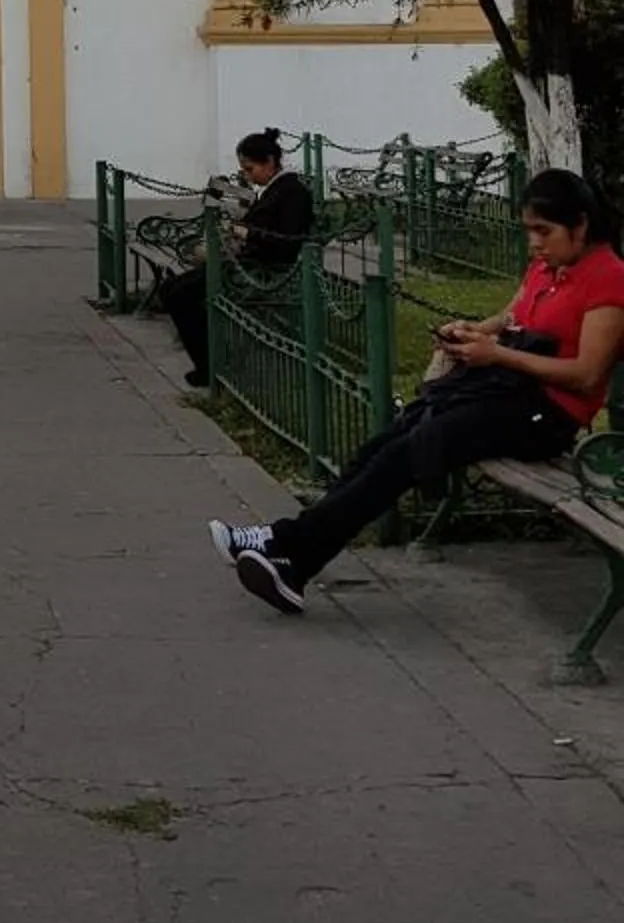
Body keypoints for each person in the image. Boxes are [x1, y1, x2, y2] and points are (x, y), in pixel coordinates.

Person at [212, 167, 624, 616]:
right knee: (388, 441)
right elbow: (511, 319)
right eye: (529, 231)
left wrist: (497, 355)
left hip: (545, 416)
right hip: (500, 395)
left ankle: (291, 556)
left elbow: (586, 375)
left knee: (412, 449)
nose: (534, 243)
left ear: (580, 225)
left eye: (544, 231)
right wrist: (469, 332)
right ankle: (285, 545)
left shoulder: (609, 278)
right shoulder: (548, 266)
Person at [161, 130, 313, 387]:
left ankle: (210, 365)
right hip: (245, 263)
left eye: (250, 169)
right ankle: (212, 357)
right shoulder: (275, 189)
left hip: (262, 269)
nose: (247, 176)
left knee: (180, 295)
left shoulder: (292, 192)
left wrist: (247, 233)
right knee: (171, 289)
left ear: (269, 161)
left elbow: (288, 242)